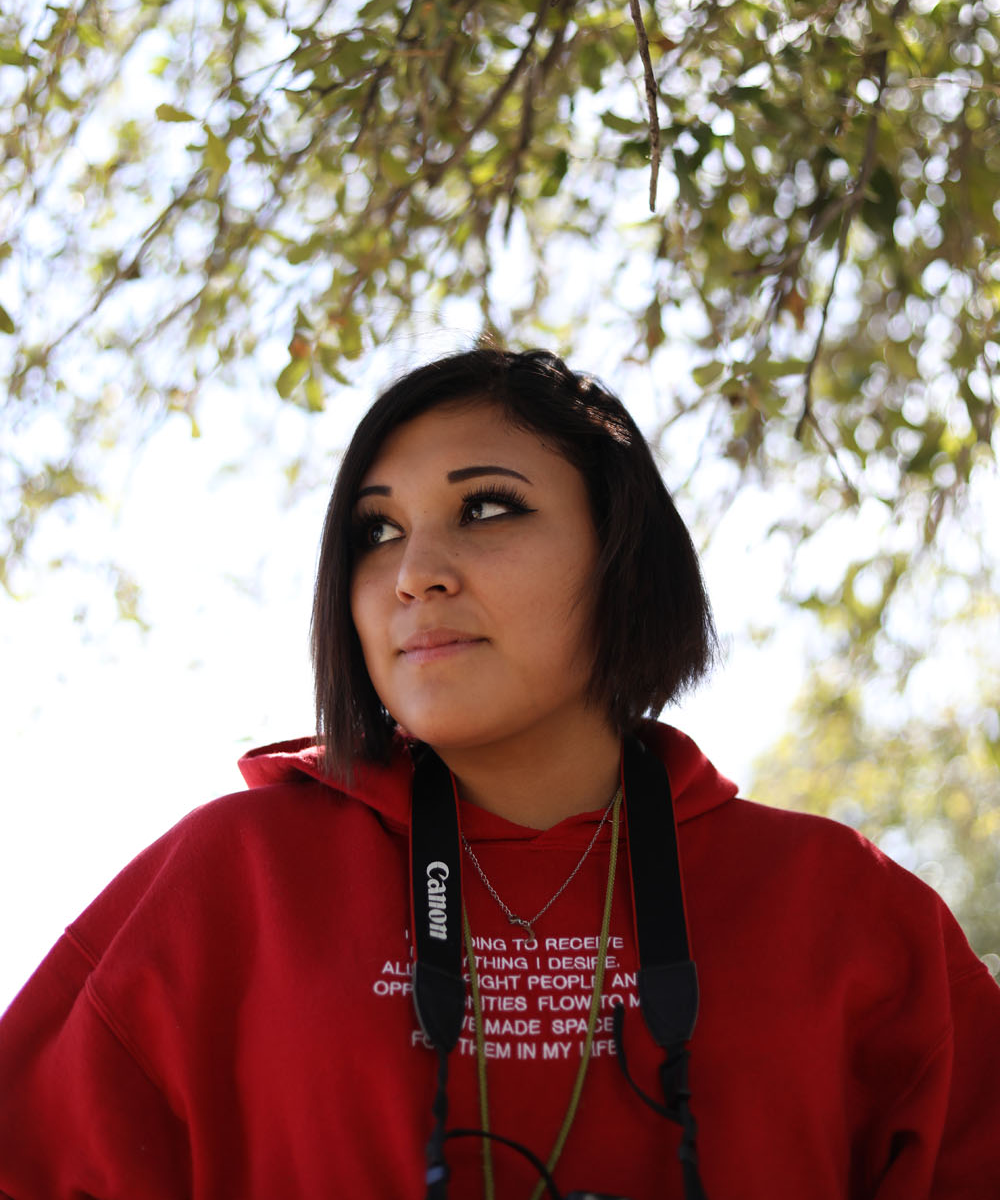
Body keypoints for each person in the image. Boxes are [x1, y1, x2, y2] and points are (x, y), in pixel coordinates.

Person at [0, 347, 998, 1200]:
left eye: (485, 508)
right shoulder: (229, 881)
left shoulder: (844, 905)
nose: (413, 572)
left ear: (623, 558)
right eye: (375, 531)